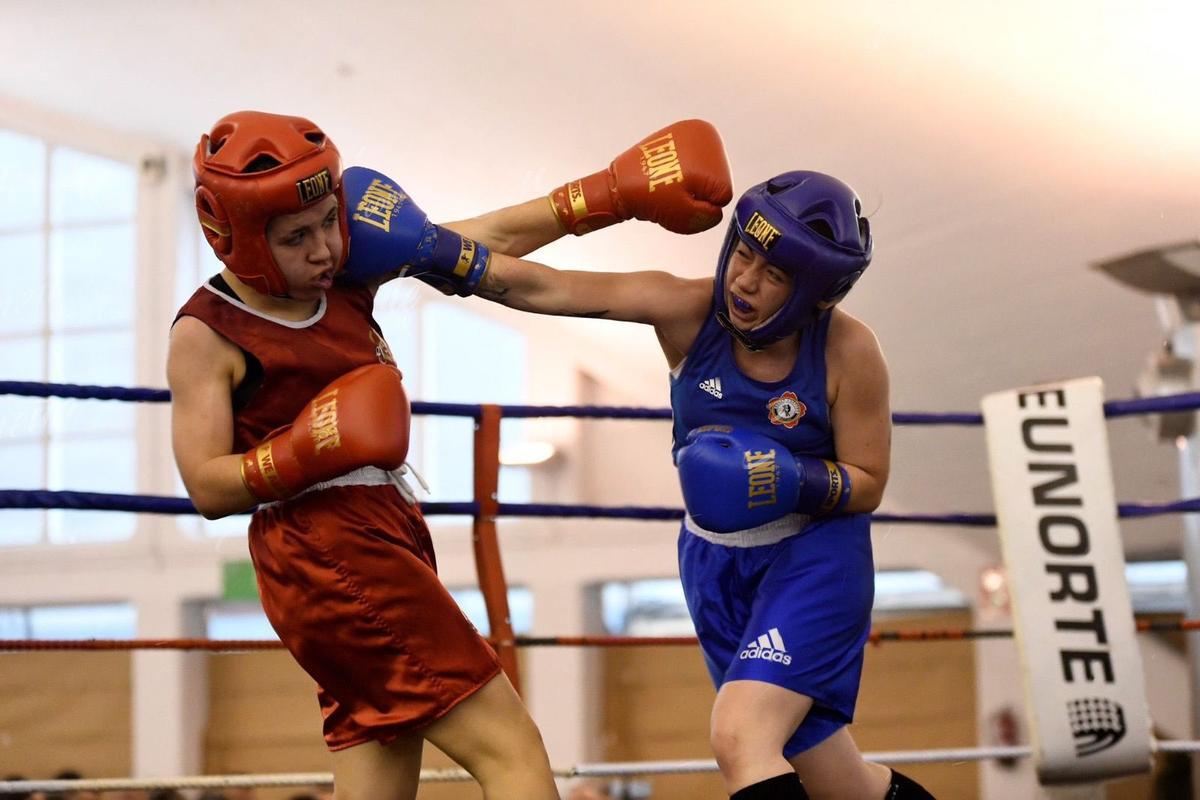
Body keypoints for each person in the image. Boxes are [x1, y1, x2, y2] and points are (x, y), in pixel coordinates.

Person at [339, 143, 935, 797]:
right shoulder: (685, 310)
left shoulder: (850, 352)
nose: (745, 280)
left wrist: (789, 477)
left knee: (742, 737)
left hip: (814, 559)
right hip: (713, 563)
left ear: (816, 295)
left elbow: (869, 480)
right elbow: (552, 289)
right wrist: (437, 251)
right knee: (836, 778)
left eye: (773, 275)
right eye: (744, 253)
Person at [169, 110, 727, 800]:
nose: (322, 249)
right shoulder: (208, 332)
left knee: (381, 762)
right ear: (238, 239)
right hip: (325, 548)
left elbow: (465, 244)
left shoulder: (341, 272)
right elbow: (203, 484)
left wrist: (607, 195)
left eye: (326, 224)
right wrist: (302, 448)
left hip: (378, 527)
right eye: (295, 238)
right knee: (509, 748)